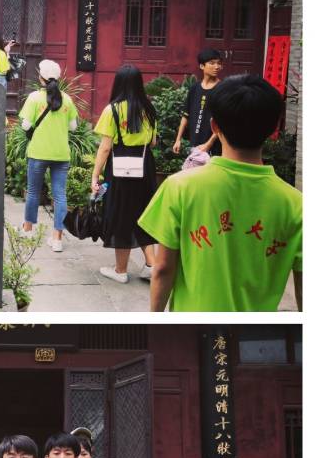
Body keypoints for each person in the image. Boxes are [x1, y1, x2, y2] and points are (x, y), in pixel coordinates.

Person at [139, 74, 302, 312]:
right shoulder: (297, 204)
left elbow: (163, 268)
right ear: (273, 129)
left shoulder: (180, 187)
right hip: (257, 333)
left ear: (214, 126)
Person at [91, 64, 158, 283]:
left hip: (120, 169)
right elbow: (153, 142)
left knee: (121, 214)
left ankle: (120, 271)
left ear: (118, 83)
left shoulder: (112, 110)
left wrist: (95, 176)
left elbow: (105, 147)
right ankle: (151, 265)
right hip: (145, 167)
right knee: (143, 213)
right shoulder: (149, 108)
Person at [20, 60, 78, 253]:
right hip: (61, 154)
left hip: (38, 152)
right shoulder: (67, 99)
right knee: (60, 195)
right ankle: (57, 238)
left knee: (33, 192)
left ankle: (28, 229)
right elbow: (73, 127)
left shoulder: (34, 98)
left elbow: (25, 125)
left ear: (41, 77)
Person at [173, 48, 224, 159]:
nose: (216, 67)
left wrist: (209, 144)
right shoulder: (194, 88)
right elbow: (185, 115)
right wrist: (178, 140)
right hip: (195, 145)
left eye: (219, 63)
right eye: (212, 63)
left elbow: (223, 122)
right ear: (202, 66)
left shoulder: (223, 89)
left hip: (214, 148)